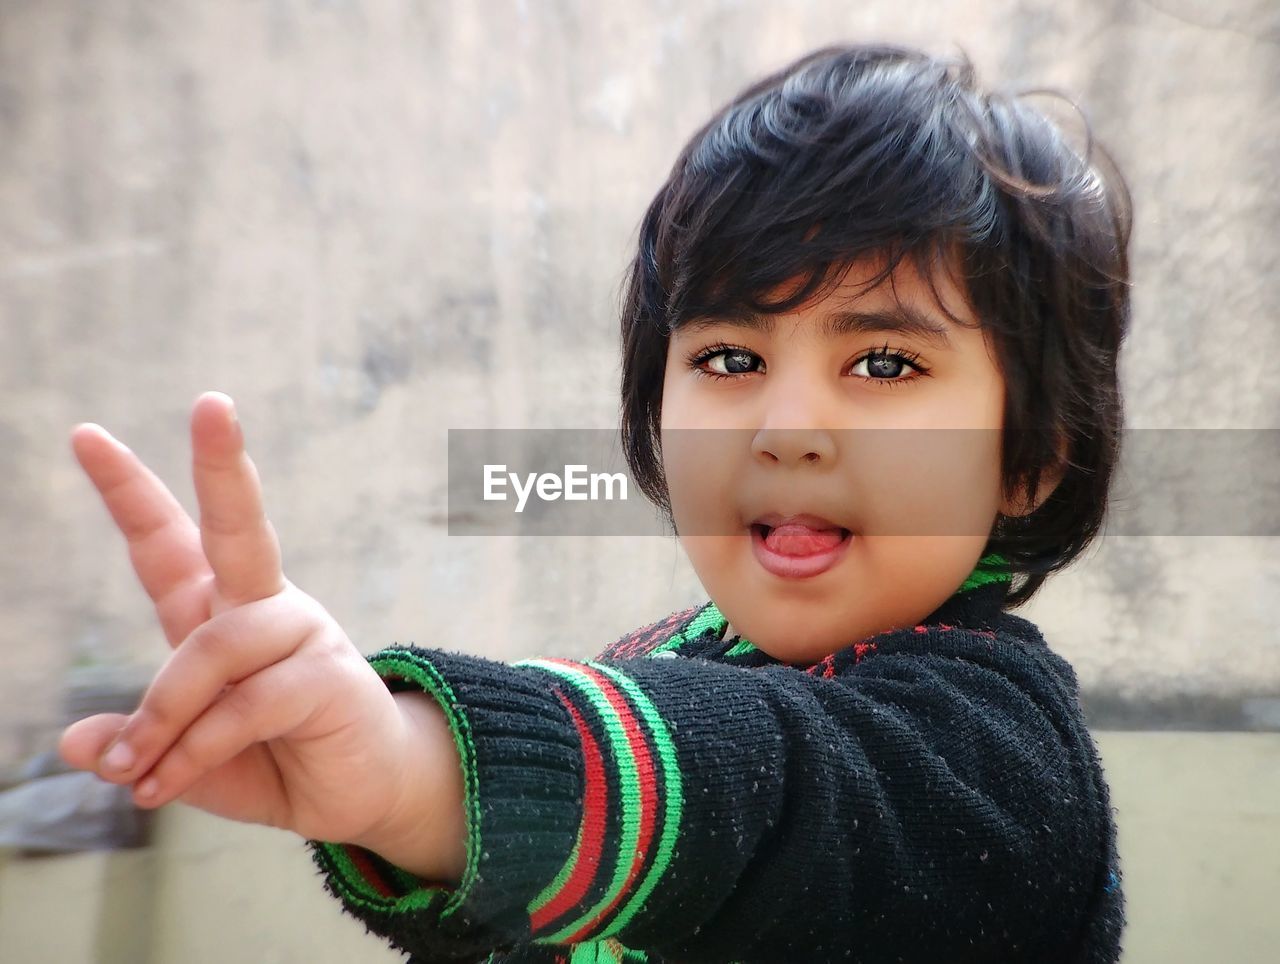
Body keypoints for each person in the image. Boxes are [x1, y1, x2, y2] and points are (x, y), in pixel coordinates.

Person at [58, 42, 1131, 963]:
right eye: (726, 355)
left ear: (1030, 457)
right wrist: (397, 805)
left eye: (885, 364)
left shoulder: (996, 754)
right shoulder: (658, 664)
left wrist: (425, 767)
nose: (784, 425)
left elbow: (768, 790)